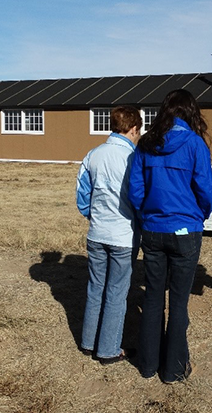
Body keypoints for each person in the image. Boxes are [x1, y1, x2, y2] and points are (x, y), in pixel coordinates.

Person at [128, 89, 212, 383]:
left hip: (153, 230)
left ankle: (148, 365)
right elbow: (206, 192)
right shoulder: (195, 144)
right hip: (185, 232)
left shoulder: (146, 144)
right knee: (178, 302)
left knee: (153, 298)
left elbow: (136, 190)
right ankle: (174, 368)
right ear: (191, 112)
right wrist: (197, 217)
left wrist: (147, 215)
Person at [76, 106, 142, 364]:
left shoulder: (93, 155)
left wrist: (92, 216)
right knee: (117, 293)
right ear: (134, 129)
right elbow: (140, 196)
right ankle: (108, 349)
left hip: (97, 233)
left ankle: (88, 341)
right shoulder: (134, 158)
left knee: (95, 288)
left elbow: (82, 195)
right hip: (123, 235)